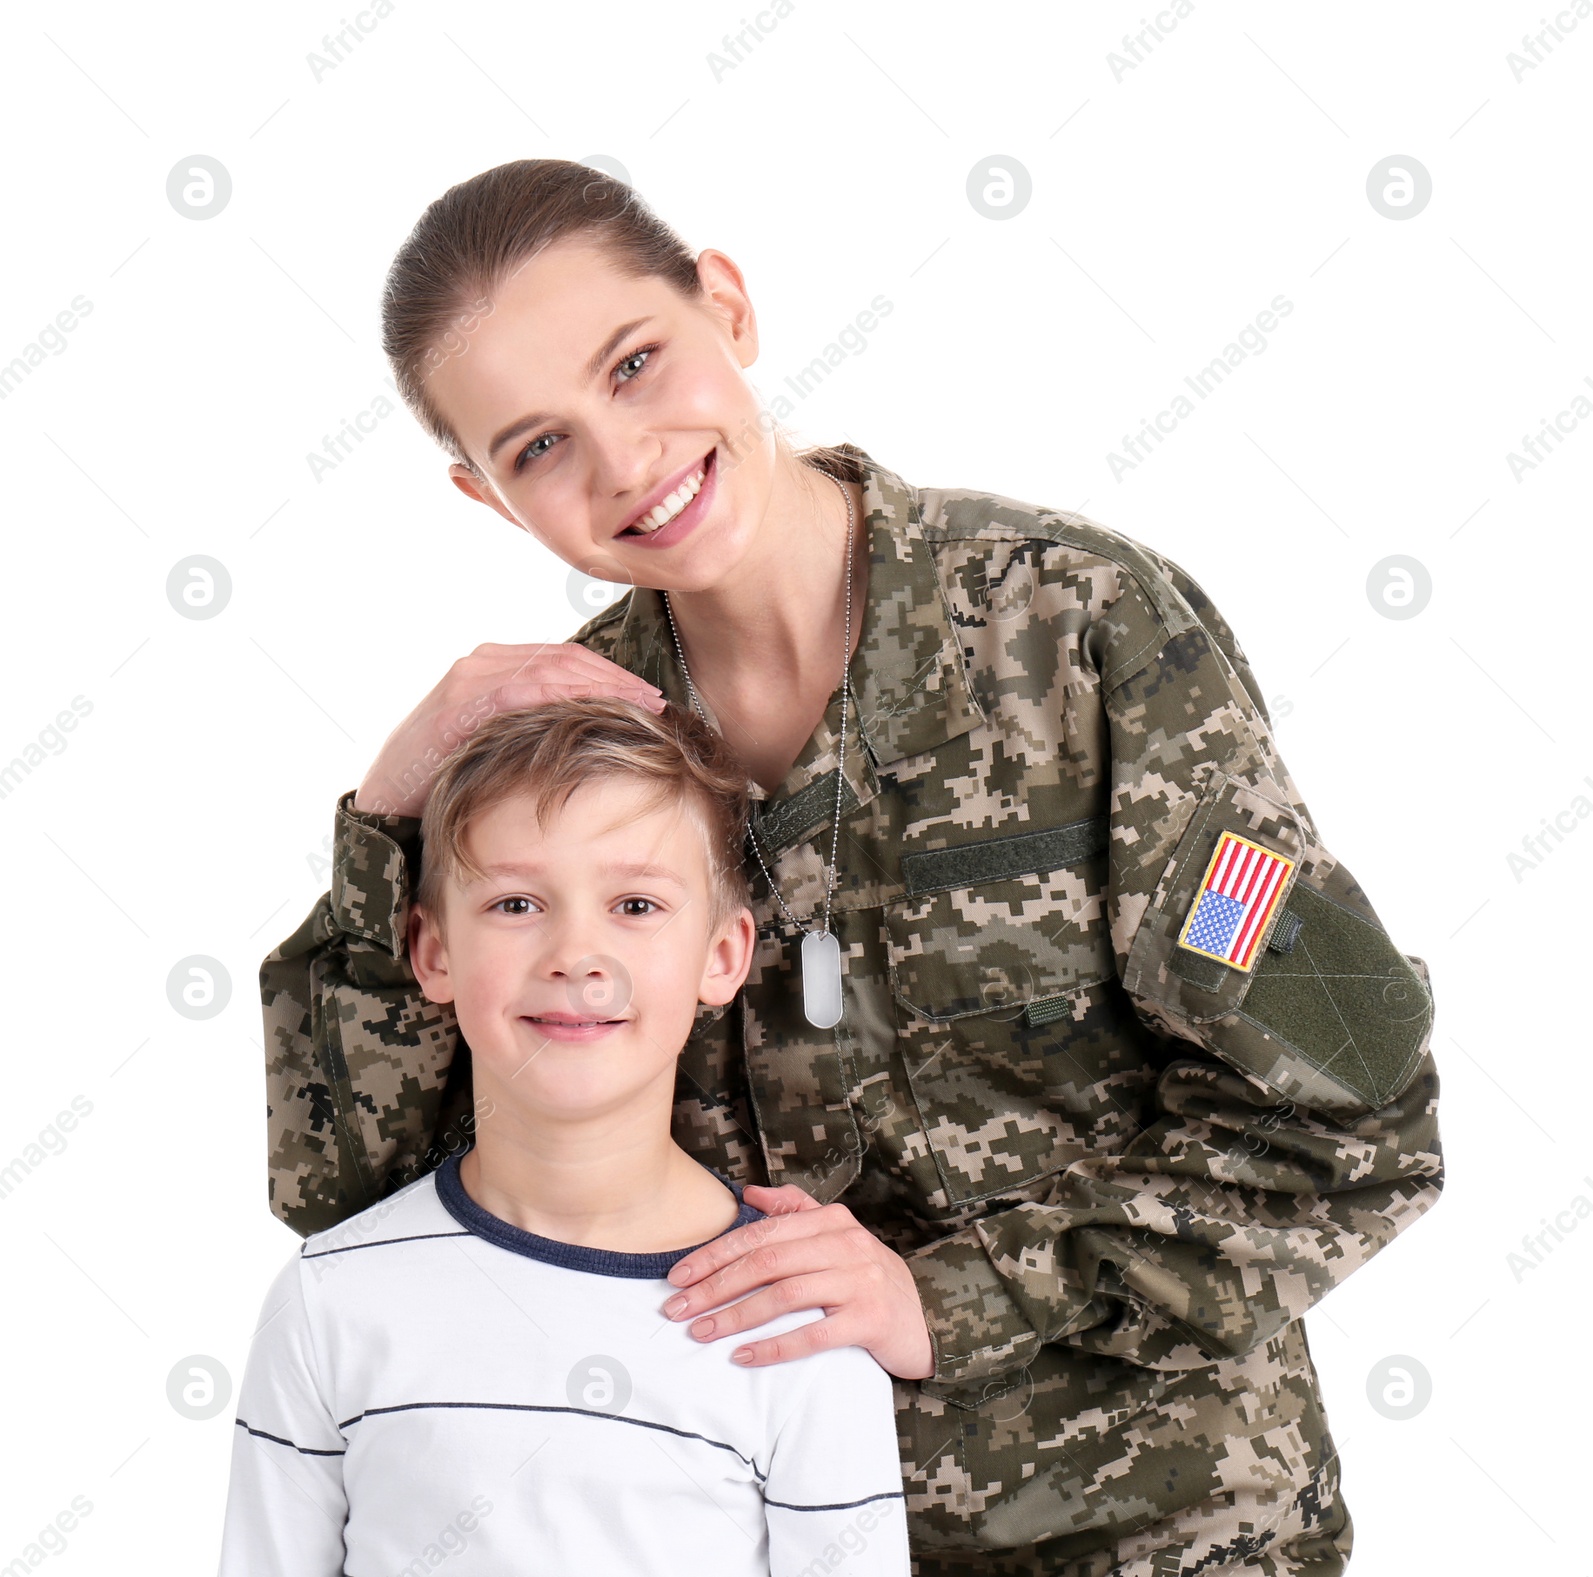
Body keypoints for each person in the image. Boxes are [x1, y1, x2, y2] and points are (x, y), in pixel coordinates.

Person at [260, 158, 1444, 1574]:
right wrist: (387, 808)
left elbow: (1356, 1117)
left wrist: (951, 1297)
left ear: (728, 307)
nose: (625, 461)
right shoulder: (566, 758)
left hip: (1166, 1540)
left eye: (637, 364)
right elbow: (351, 1194)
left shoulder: (1080, 633)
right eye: (540, 446)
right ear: (483, 494)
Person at [225, 698, 912, 1574]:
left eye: (635, 902)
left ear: (723, 955)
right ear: (433, 952)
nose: (577, 954)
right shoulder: (329, 1301)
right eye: (516, 902)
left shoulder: (796, 1323)